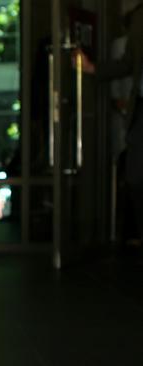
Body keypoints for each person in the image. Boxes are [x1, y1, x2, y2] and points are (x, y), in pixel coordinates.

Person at [77, 1, 143, 247]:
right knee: (136, 176)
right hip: (141, 108)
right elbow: (128, 63)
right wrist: (93, 68)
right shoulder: (139, 18)